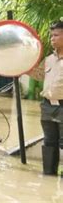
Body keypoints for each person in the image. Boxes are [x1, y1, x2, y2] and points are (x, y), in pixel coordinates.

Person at [28, 20, 63, 176]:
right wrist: (23, 67)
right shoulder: (49, 59)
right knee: (49, 142)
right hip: (48, 106)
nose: (52, 39)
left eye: (56, 35)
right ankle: (49, 176)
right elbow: (39, 75)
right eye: (51, 35)